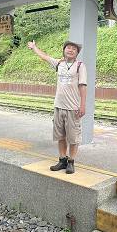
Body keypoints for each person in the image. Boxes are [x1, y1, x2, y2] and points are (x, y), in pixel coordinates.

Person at [27, 39, 87, 174]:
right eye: (68, 48)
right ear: (64, 50)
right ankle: (62, 160)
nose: (70, 50)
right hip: (58, 106)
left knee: (73, 137)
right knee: (60, 135)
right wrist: (34, 47)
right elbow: (45, 57)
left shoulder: (80, 66)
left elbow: (83, 86)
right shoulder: (59, 63)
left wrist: (82, 105)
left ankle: (71, 162)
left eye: (74, 49)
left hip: (73, 107)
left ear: (77, 53)